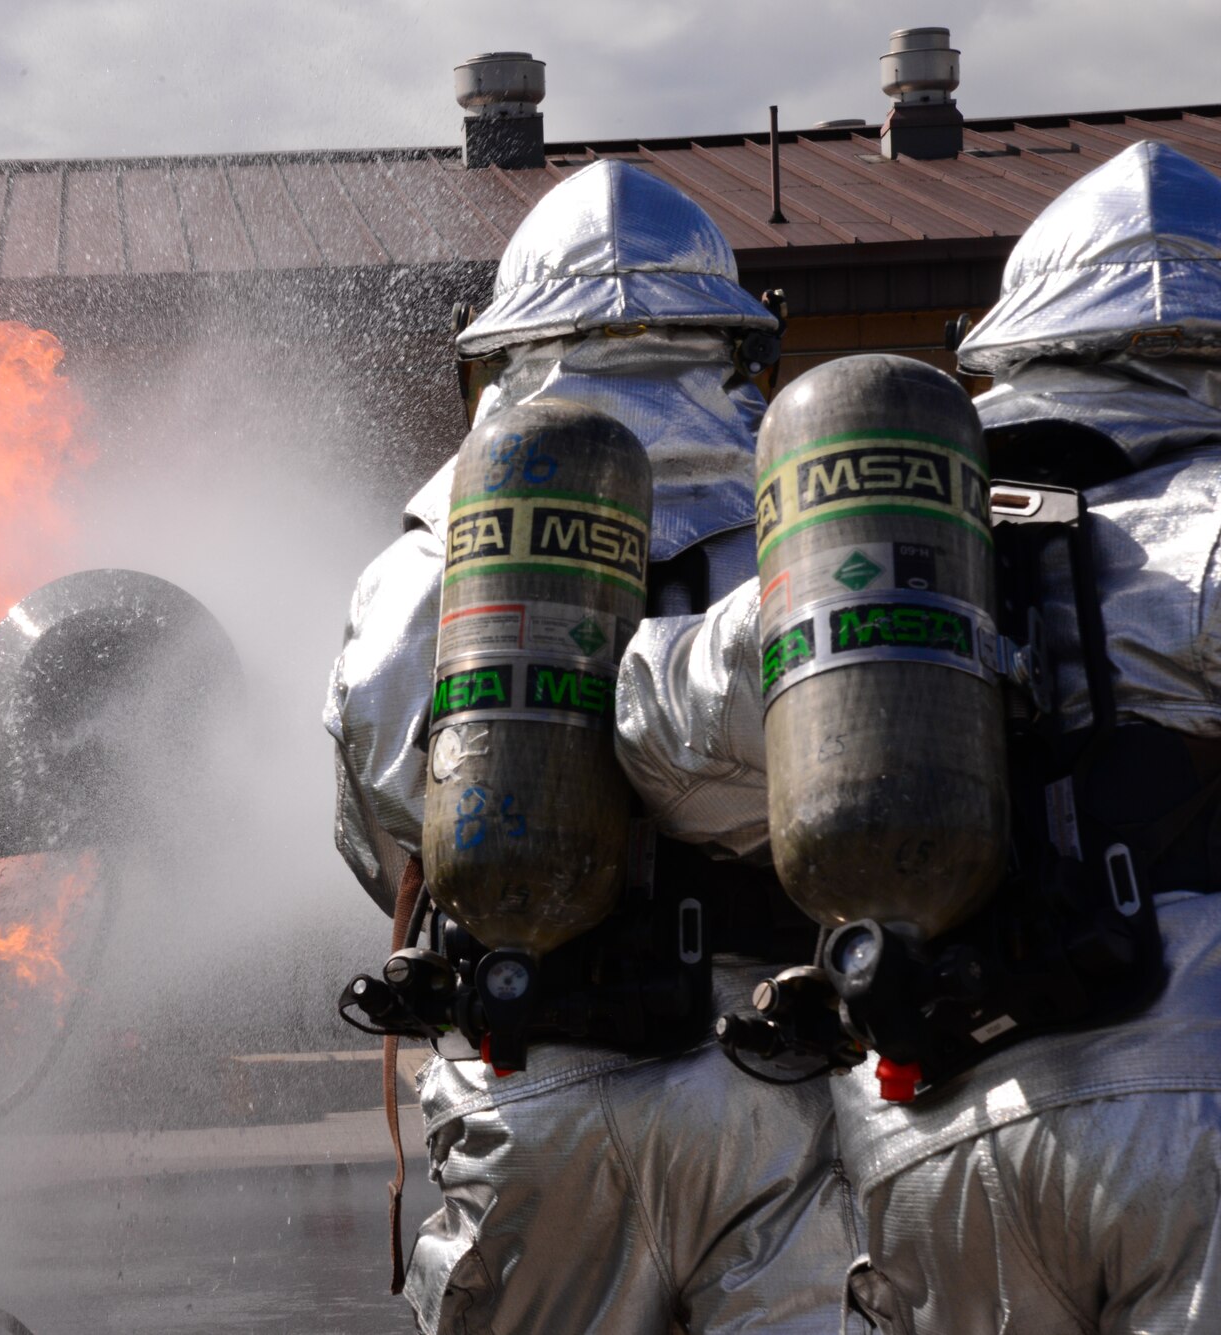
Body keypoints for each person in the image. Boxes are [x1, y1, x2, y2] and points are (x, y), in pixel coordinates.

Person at [616, 139, 1221, 1334]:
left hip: (920, 1133)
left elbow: (648, 726)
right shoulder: (1198, 520)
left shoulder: (851, 555)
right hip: (1189, 1106)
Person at [325, 159, 857, 1334]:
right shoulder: (816, 522)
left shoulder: (430, 557)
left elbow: (380, 806)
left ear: (507, 353)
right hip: (769, 1068)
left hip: (530, 1072)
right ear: (725, 344)